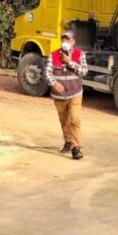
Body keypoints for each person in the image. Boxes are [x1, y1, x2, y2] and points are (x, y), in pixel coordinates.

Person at [44, 29, 88, 160]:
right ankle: (68, 141)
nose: (65, 42)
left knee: (75, 119)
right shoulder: (53, 55)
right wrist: (54, 83)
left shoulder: (80, 55)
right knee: (64, 121)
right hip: (59, 96)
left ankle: (76, 148)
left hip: (75, 93)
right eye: (63, 39)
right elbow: (47, 73)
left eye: (68, 39)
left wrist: (70, 62)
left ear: (73, 42)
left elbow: (84, 71)